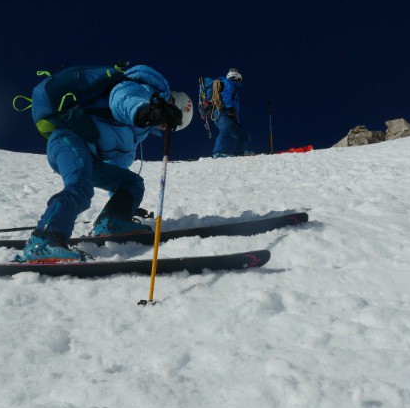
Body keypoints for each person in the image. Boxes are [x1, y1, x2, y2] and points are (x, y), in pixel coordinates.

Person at [17, 64, 186, 262]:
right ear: (170, 103)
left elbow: (119, 167)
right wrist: (144, 112)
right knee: (80, 187)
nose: (168, 127)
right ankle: (44, 241)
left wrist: (123, 206)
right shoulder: (139, 88)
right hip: (67, 139)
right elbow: (122, 100)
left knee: (131, 182)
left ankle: (113, 221)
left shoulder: (134, 136)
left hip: (89, 156)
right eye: (171, 121)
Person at [210, 68, 250, 158]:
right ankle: (217, 152)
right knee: (225, 129)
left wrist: (235, 118)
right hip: (222, 112)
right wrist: (229, 109)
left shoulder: (233, 88)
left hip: (229, 115)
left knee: (244, 135)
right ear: (236, 78)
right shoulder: (229, 83)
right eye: (240, 80)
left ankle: (239, 152)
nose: (240, 82)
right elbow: (226, 96)